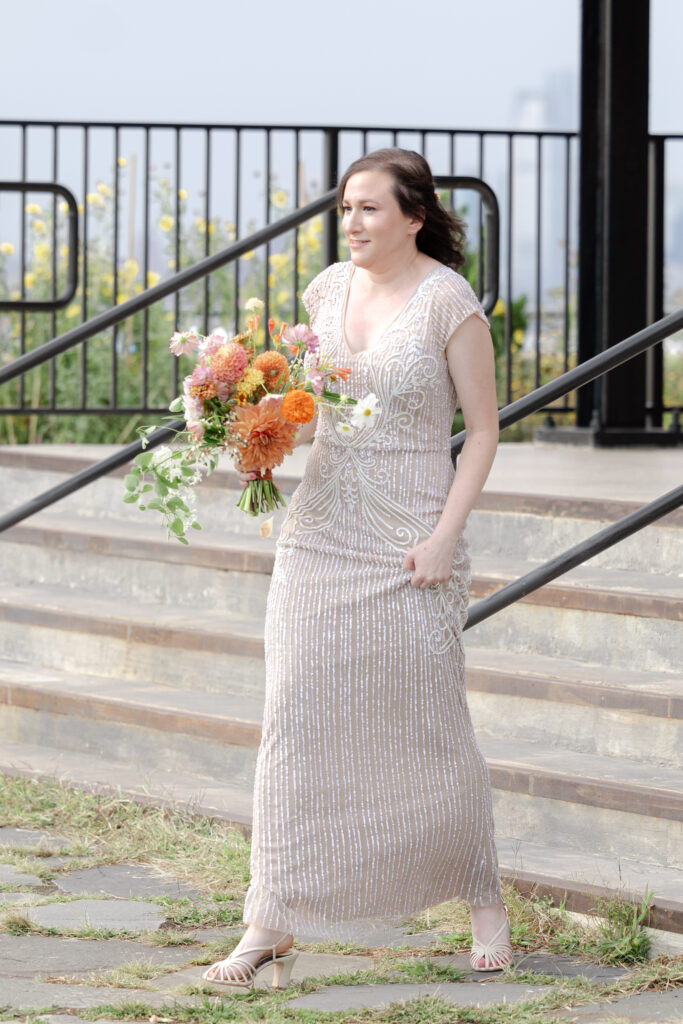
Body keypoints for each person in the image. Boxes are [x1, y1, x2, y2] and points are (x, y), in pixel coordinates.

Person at [203, 147, 512, 991]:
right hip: (321, 527)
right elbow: (312, 408)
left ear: (415, 216)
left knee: (428, 720)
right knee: (292, 712)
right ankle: (268, 921)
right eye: (346, 208)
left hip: (412, 532)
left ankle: (482, 898)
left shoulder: (451, 304)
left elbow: (482, 430)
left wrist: (446, 536)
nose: (352, 223)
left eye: (369, 208)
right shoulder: (325, 291)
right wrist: (257, 437)